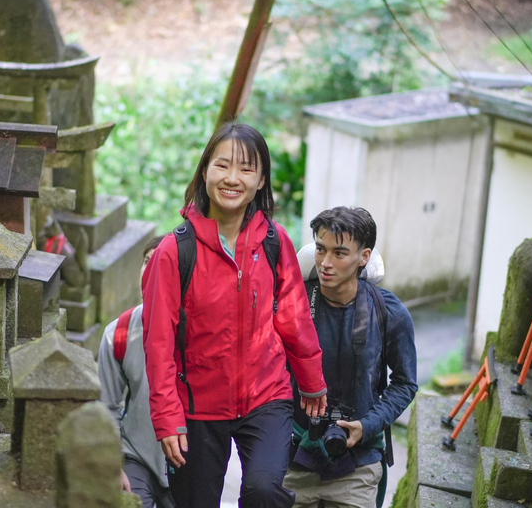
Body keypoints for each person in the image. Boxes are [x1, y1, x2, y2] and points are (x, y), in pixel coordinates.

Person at [141, 122, 328, 508]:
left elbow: (294, 318)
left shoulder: (275, 243)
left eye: (246, 169)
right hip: (198, 405)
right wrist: (168, 417)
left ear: (261, 180)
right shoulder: (175, 252)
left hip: (266, 396)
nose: (232, 178)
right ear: (205, 170)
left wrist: (311, 381)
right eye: (222, 165)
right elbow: (158, 344)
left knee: (264, 490)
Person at [283, 207, 418, 508]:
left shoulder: (388, 313)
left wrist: (367, 426)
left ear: (364, 257)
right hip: (293, 456)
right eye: (320, 249)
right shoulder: (293, 303)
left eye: (339, 253)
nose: (326, 263)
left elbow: (405, 384)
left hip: (358, 464)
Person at [98, 235, 175, 508]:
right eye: (146, 261)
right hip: (135, 457)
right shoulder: (118, 332)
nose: (151, 270)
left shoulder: (205, 334)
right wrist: (113, 461)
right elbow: (106, 405)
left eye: (162, 263)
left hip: (190, 463)